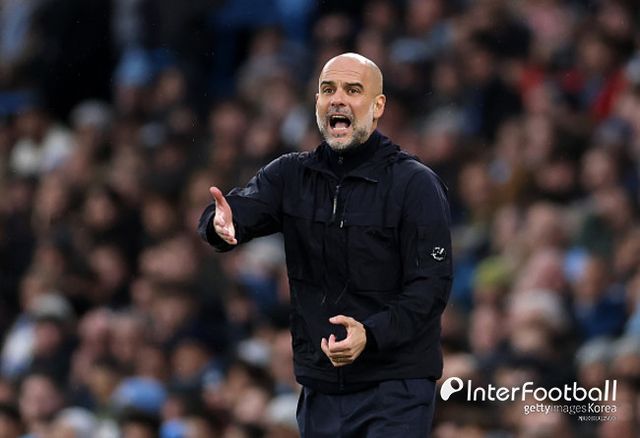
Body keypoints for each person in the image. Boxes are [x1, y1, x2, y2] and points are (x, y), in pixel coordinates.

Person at [198, 52, 452, 437]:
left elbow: (430, 288)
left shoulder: (415, 184)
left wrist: (371, 333)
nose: (338, 99)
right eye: (328, 90)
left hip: (395, 385)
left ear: (378, 106)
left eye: (353, 90)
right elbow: (233, 212)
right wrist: (218, 226)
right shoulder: (289, 175)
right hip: (321, 386)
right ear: (317, 101)